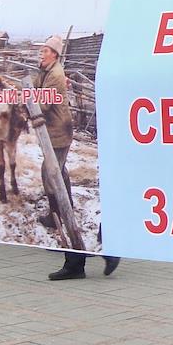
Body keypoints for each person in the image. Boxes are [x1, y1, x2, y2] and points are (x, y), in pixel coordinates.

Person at [35, 35, 119, 280]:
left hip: (62, 132)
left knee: (52, 176)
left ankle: (105, 249)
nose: (41, 54)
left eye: (45, 50)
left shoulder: (56, 74)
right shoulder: (49, 72)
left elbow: (43, 102)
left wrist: (25, 99)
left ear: (54, 53)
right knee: (57, 174)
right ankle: (66, 228)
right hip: (64, 132)